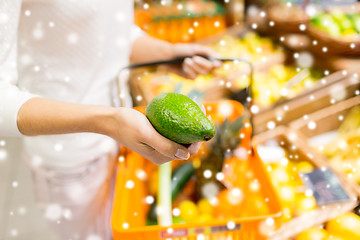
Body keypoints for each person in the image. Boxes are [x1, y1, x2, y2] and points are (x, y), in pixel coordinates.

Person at [0, 1, 222, 239]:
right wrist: (108, 122)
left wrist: (167, 54)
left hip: (120, 138)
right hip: (71, 157)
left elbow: (112, 30)